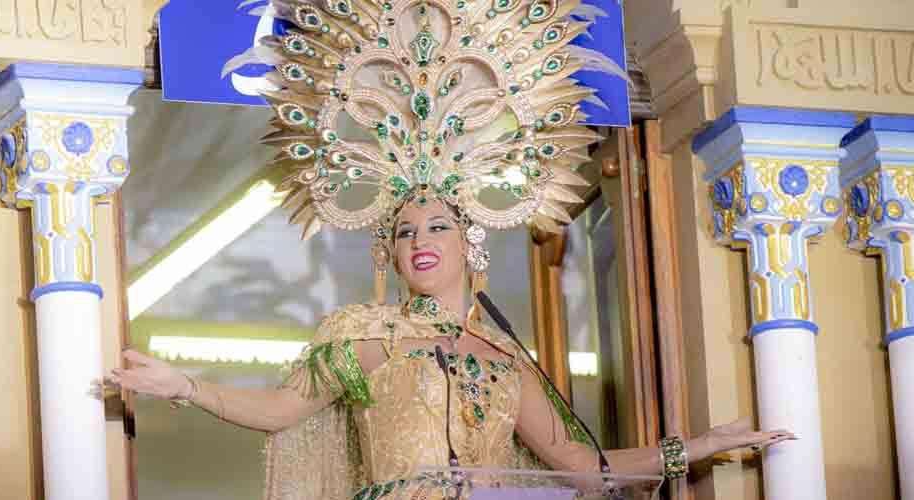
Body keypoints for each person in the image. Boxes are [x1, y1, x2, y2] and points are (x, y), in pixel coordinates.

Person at [109, 0, 795, 497]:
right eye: (404, 231)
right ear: (388, 253)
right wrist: (186, 386)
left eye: (435, 225)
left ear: (471, 242)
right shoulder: (363, 336)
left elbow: (587, 470)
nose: (418, 241)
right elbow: (281, 411)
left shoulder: (505, 361)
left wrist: (700, 448)